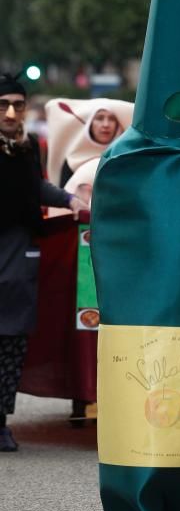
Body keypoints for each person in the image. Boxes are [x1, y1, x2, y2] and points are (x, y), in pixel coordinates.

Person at [0, 72, 86, 452]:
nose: (10, 112)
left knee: (12, 341)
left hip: (19, 251)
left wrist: (70, 201)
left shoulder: (27, 145)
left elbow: (35, 186)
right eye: (3, 105)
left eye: (17, 105)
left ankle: (2, 422)